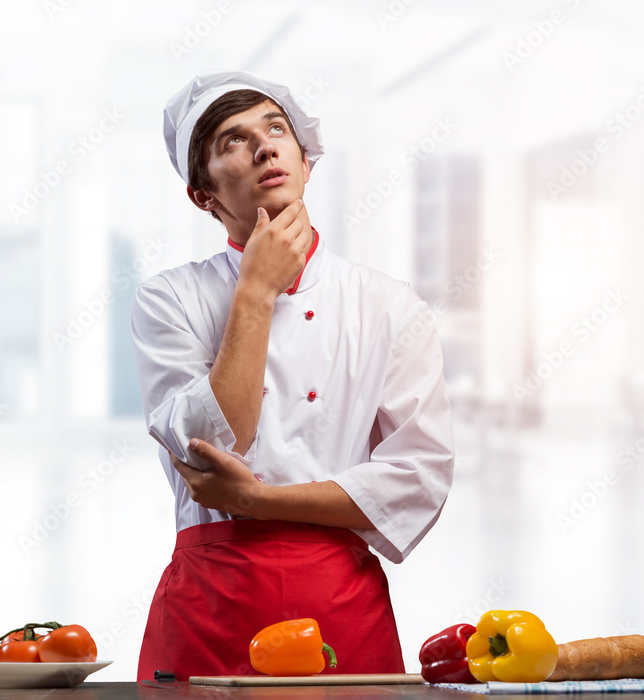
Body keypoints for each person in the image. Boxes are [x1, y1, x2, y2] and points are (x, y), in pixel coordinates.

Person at [131, 68, 456, 682]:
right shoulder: (169, 298)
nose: (263, 146)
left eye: (275, 128)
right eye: (231, 139)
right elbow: (213, 445)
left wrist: (254, 499)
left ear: (306, 163)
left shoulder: (388, 305)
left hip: (339, 604)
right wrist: (255, 289)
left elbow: (419, 476)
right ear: (203, 197)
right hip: (211, 604)